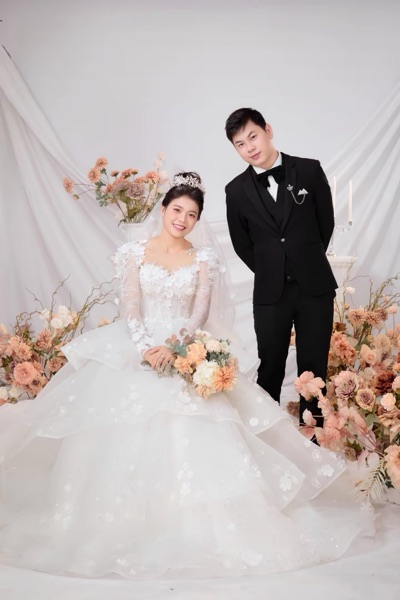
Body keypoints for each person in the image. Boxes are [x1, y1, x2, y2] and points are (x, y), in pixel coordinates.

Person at [0, 173, 372, 580]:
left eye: (191, 214)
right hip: (137, 344)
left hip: (184, 345)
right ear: (163, 210)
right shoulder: (134, 252)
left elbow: (199, 312)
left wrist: (176, 346)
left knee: (206, 419)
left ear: (197, 220)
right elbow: (130, 306)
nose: (182, 219)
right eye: (177, 209)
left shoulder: (203, 259)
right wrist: (145, 346)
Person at [225, 108, 337, 424]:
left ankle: (314, 435)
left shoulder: (309, 170)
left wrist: (304, 258)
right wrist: (272, 267)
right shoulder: (235, 190)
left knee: (314, 367)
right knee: (270, 365)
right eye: (240, 144)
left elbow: (325, 223)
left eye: (253, 136)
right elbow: (242, 244)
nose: (250, 147)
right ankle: (270, 434)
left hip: (315, 286)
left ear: (268, 130)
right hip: (270, 291)